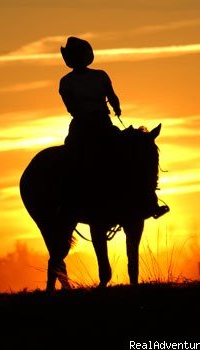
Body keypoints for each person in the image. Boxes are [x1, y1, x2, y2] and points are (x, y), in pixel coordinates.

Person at [58, 36, 168, 220]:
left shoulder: (79, 79)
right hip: (89, 126)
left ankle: (147, 200)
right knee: (71, 159)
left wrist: (114, 107)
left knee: (130, 155)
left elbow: (104, 97)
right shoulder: (80, 79)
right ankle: (68, 203)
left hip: (95, 125)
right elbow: (82, 104)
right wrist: (115, 107)